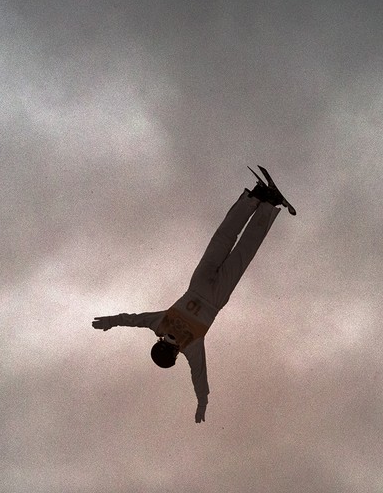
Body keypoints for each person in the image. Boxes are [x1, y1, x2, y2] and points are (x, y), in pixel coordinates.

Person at [93, 167, 295, 423]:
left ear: (173, 353)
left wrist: (203, 402)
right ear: (158, 345)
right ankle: (254, 198)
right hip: (198, 284)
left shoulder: (191, 347)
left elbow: (199, 376)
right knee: (222, 240)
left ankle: (267, 204)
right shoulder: (158, 324)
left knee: (244, 252)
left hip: (216, 297)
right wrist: (110, 321)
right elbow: (132, 319)